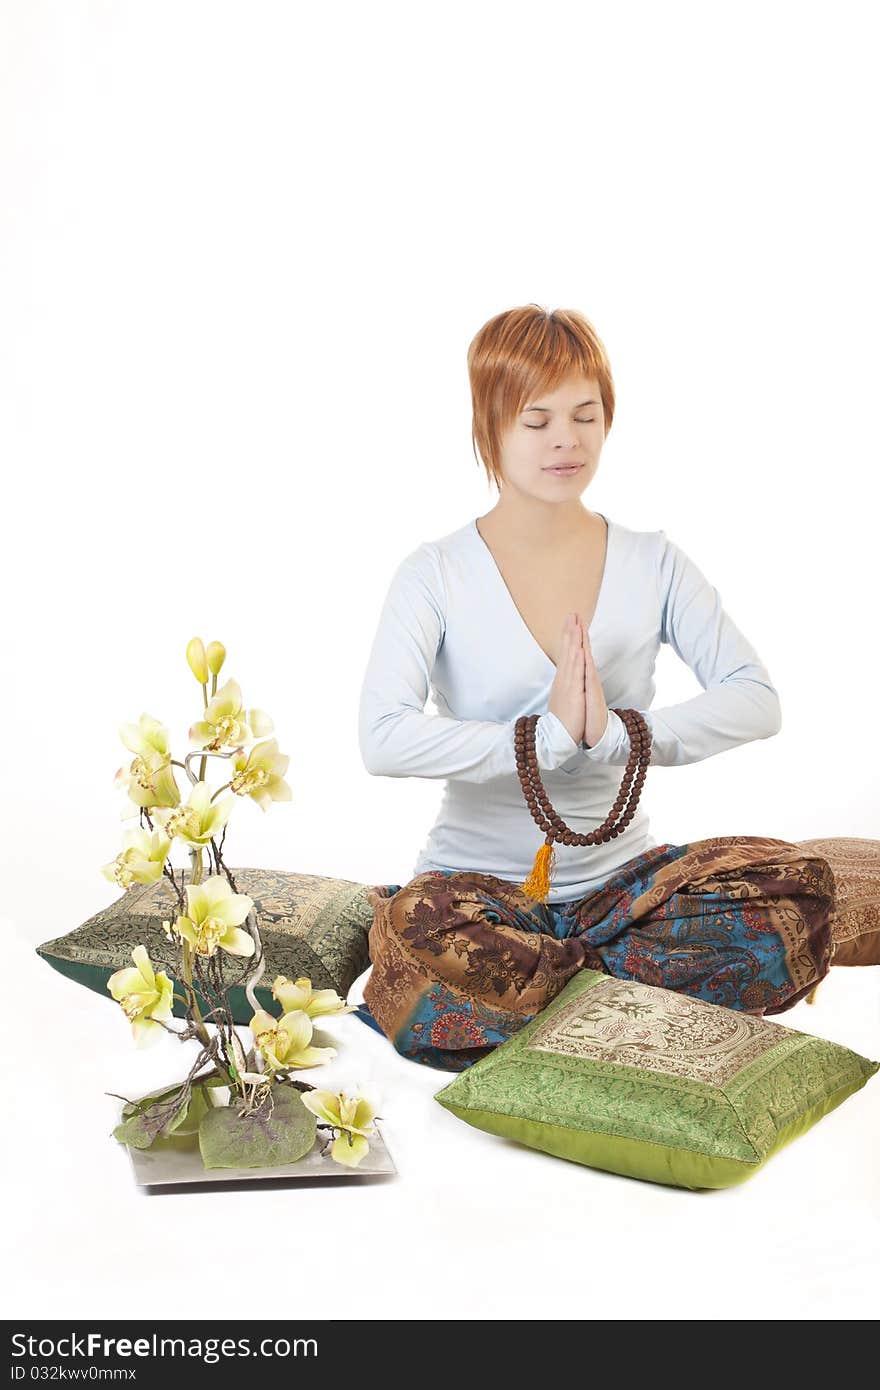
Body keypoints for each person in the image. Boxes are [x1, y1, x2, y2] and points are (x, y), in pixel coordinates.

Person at [355, 303, 838, 1071]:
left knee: (801, 892)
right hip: (481, 898)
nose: (566, 441)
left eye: (585, 415)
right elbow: (382, 736)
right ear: (490, 427)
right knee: (420, 925)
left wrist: (619, 735)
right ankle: (622, 1008)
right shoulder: (435, 574)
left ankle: (540, 999)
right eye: (537, 419)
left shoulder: (654, 561)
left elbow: (755, 696)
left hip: (627, 895)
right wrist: (538, 740)